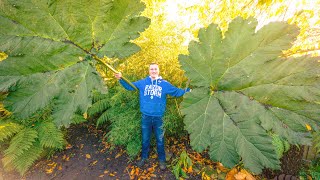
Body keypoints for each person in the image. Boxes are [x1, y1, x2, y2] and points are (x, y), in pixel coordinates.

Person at [114, 63, 190, 170]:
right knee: (145, 139)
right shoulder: (143, 82)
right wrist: (121, 78)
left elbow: (177, 92)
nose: (153, 71)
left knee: (160, 140)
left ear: (158, 71)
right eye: (151, 69)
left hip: (159, 117)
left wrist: (189, 91)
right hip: (146, 117)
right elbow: (129, 86)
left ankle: (162, 160)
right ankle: (144, 158)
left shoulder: (165, 84)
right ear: (149, 71)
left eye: (155, 69)